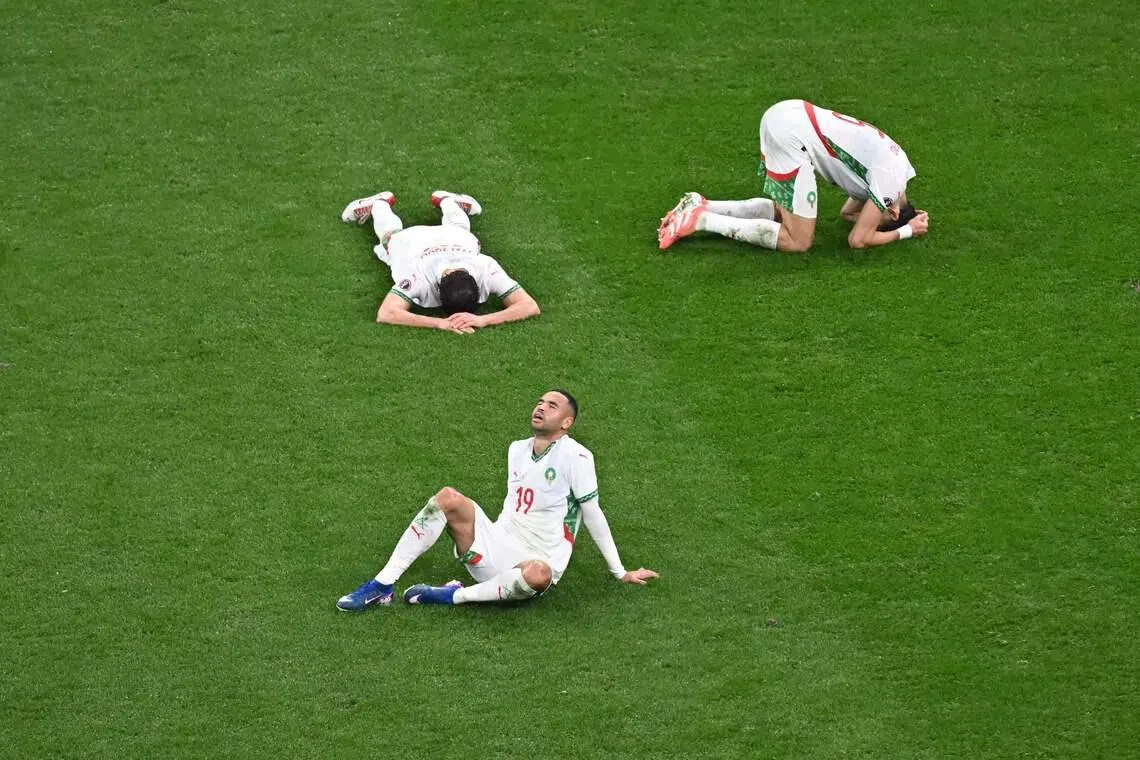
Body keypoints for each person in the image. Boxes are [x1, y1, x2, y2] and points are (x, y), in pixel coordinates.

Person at [336, 389, 659, 610]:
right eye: (539, 402)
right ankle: (382, 586)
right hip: (495, 545)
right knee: (448, 498)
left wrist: (620, 572)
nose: (541, 407)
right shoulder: (516, 449)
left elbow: (593, 514)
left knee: (539, 575)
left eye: (551, 406)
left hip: (533, 564)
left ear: (566, 422)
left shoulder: (576, 456)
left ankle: (453, 597)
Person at [658, 99, 930, 253]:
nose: (873, 218)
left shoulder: (896, 170)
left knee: (784, 212)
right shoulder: (889, 183)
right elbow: (858, 239)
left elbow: (848, 214)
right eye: (881, 220)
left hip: (788, 115)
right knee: (798, 241)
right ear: (893, 213)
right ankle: (701, 220)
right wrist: (907, 231)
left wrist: (890, 219)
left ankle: (701, 204)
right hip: (791, 135)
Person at [340, 190, 540, 333]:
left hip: (454, 238)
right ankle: (379, 203)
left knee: (460, 230)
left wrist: (483, 320)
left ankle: (448, 200)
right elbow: (386, 313)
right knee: (390, 238)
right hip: (413, 241)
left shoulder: (486, 269)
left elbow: (530, 306)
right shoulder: (419, 277)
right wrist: (440, 323)